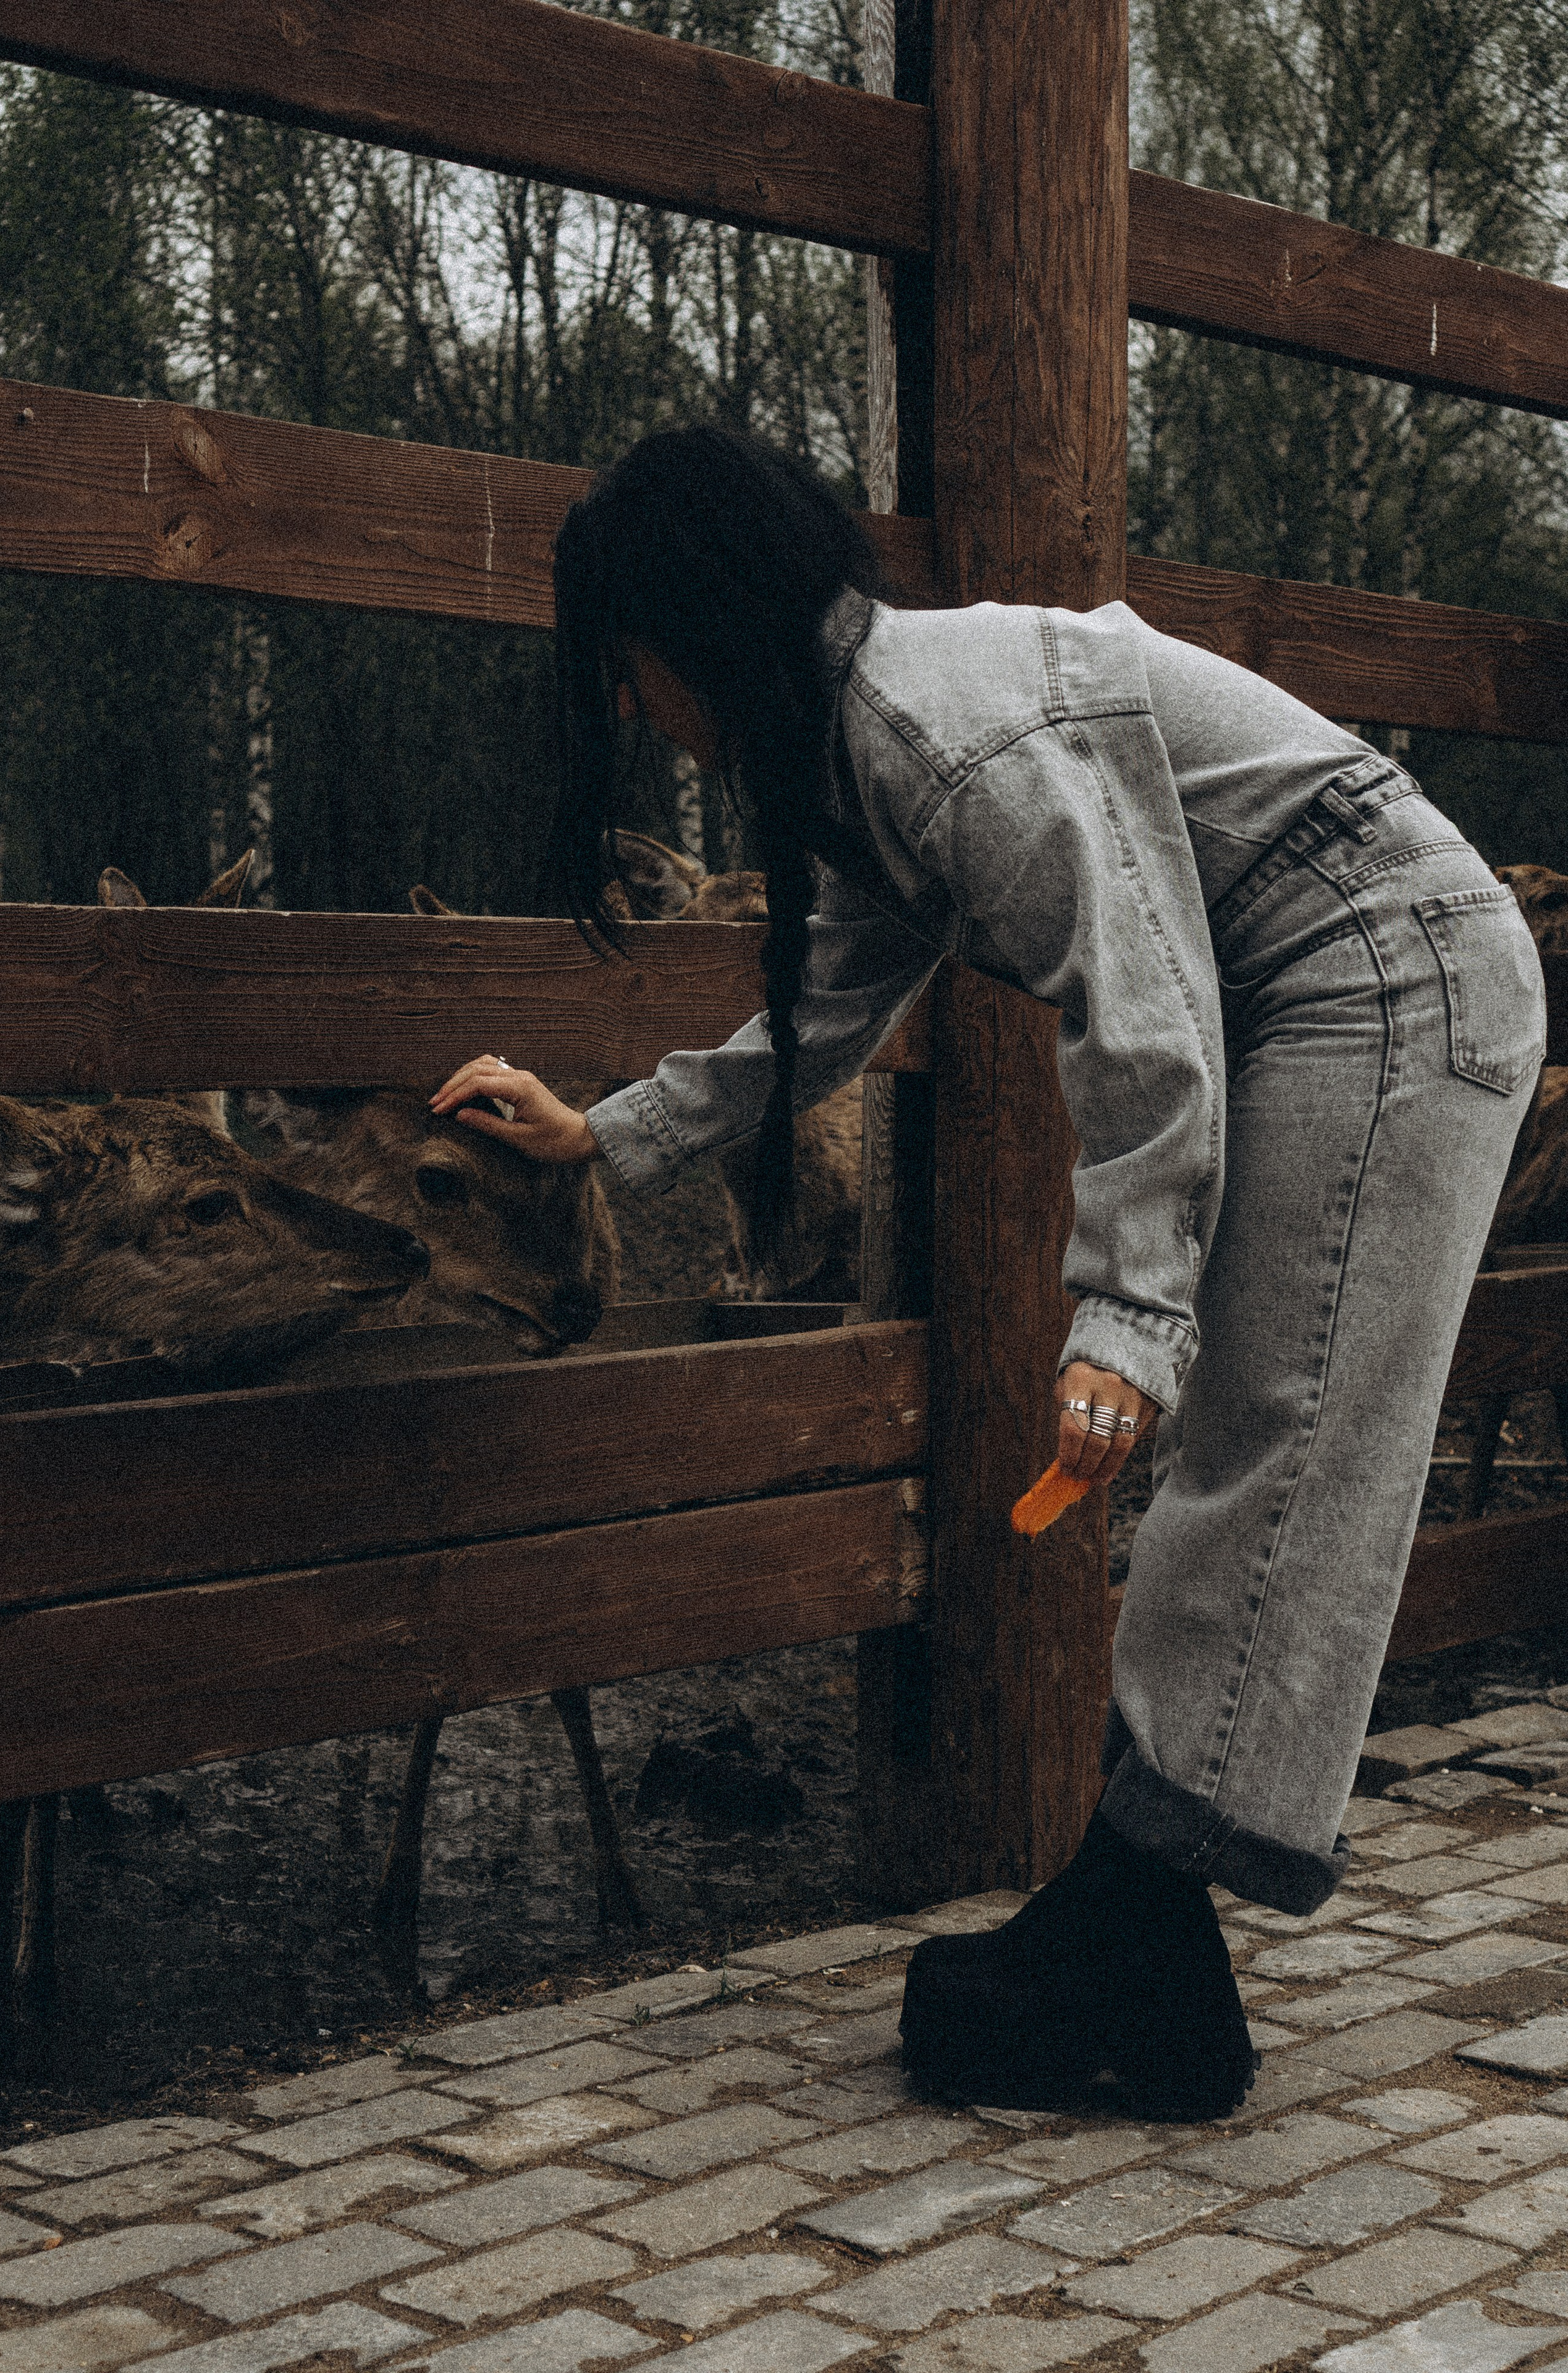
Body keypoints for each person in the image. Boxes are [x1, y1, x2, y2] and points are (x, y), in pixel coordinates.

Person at [429, 426, 1546, 2121]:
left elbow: (1144, 1003)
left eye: (632, 664)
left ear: (696, 624)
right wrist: (613, 1134)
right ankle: (1151, 1971)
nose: (637, 707)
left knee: (1283, 1430)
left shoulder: (941, 735)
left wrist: (1130, 1314)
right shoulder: (867, 743)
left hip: (1385, 971)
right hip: (1329, 982)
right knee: (1266, 1441)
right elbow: (831, 1008)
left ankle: (1127, 1927)